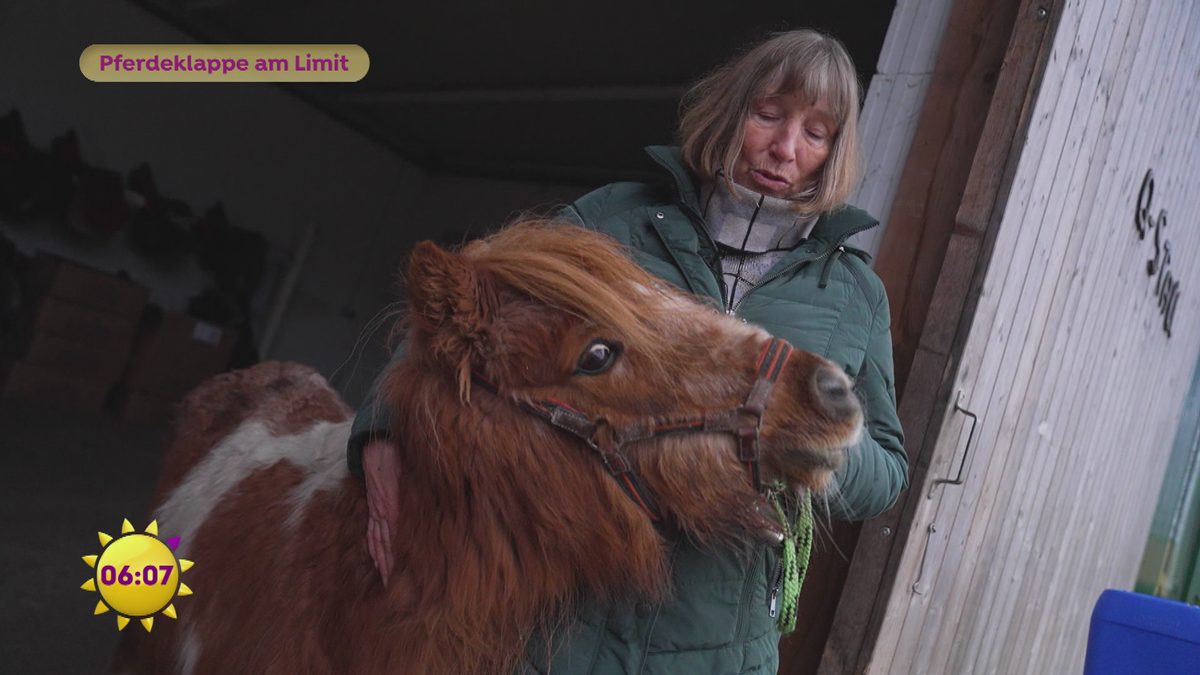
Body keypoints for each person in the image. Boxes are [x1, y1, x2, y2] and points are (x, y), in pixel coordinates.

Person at [347, 28, 907, 675]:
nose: (785, 148)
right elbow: (465, 315)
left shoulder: (853, 292)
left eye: (816, 133)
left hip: (714, 646)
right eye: (769, 115)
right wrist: (380, 434)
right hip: (557, 621)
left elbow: (887, 470)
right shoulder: (615, 220)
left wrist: (823, 447)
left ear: (834, 152)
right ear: (732, 112)